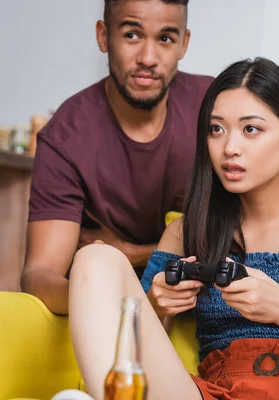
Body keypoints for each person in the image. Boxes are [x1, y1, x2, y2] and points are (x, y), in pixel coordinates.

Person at [67, 58, 279, 400]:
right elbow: (138, 351)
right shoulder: (189, 230)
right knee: (94, 258)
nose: (230, 148)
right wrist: (157, 305)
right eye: (217, 129)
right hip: (208, 392)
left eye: (251, 129)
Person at [21, 0, 213, 315]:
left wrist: (133, 254)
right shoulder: (66, 137)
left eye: (165, 38)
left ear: (184, 44)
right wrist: (109, 295)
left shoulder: (215, 109)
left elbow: (254, 239)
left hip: (200, 304)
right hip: (100, 311)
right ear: (103, 36)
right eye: (132, 35)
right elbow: (39, 275)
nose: (148, 59)